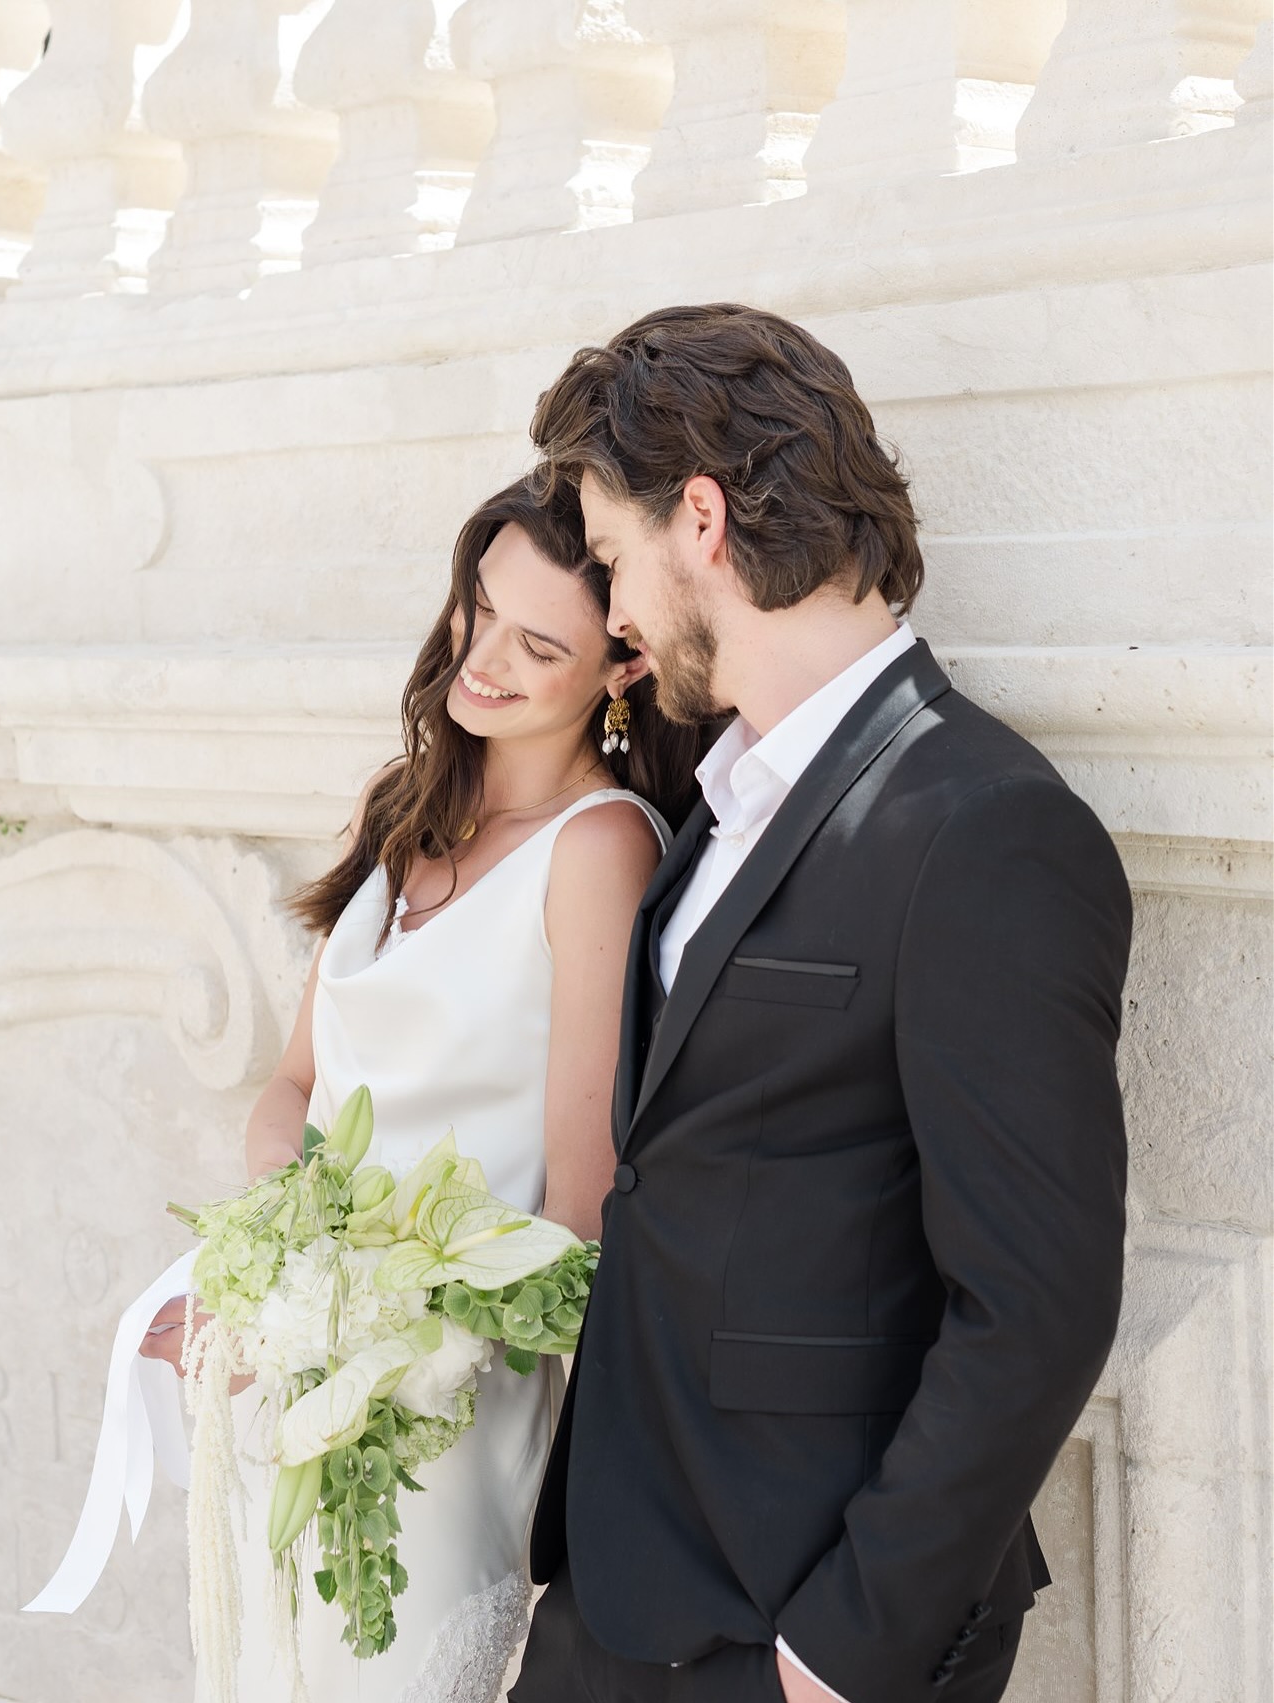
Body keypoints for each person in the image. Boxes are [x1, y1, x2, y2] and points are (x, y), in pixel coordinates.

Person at [510, 304, 1133, 1703]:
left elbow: (1035, 1298)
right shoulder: (714, 794)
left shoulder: (983, 827)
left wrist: (838, 1649)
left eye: (611, 559)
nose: (608, 613)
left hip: (800, 1619)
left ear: (704, 521)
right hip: (621, 1581)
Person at [141, 475, 706, 1701]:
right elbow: (292, 1085)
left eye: (537, 642)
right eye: (477, 608)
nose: (483, 658)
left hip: (445, 1405)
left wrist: (373, 1330)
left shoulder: (597, 850)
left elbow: (577, 1206)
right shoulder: (404, 812)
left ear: (619, 670)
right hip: (293, 1367)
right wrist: (284, 1278)